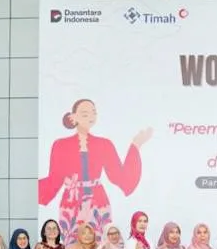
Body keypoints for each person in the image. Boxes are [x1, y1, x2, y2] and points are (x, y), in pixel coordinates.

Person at [37, 98, 149, 241]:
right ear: (72, 117)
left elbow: (120, 176)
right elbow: (54, 179)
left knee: (100, 244)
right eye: (85, 114)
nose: (90, 117)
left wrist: (135, 145)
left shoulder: (104, 144)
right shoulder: (60, 145)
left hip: (98, 202)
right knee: (73, 244)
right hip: (72, 202)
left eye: (93, 113)